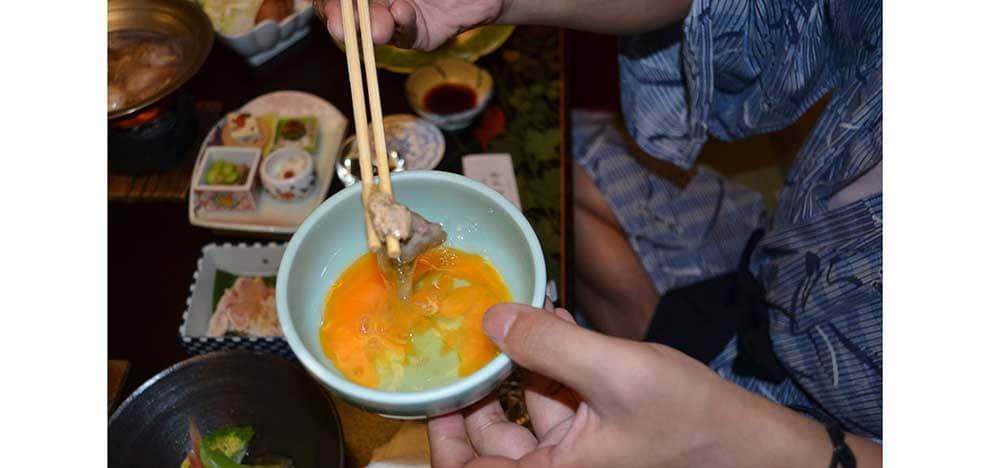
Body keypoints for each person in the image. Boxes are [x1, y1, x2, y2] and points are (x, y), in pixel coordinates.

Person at [316, 0, 883, 466]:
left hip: (810, 425)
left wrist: (760, 446)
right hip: (784, 268)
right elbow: (767, 14)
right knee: (572, 154)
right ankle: (660, 326)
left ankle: (669, 340)